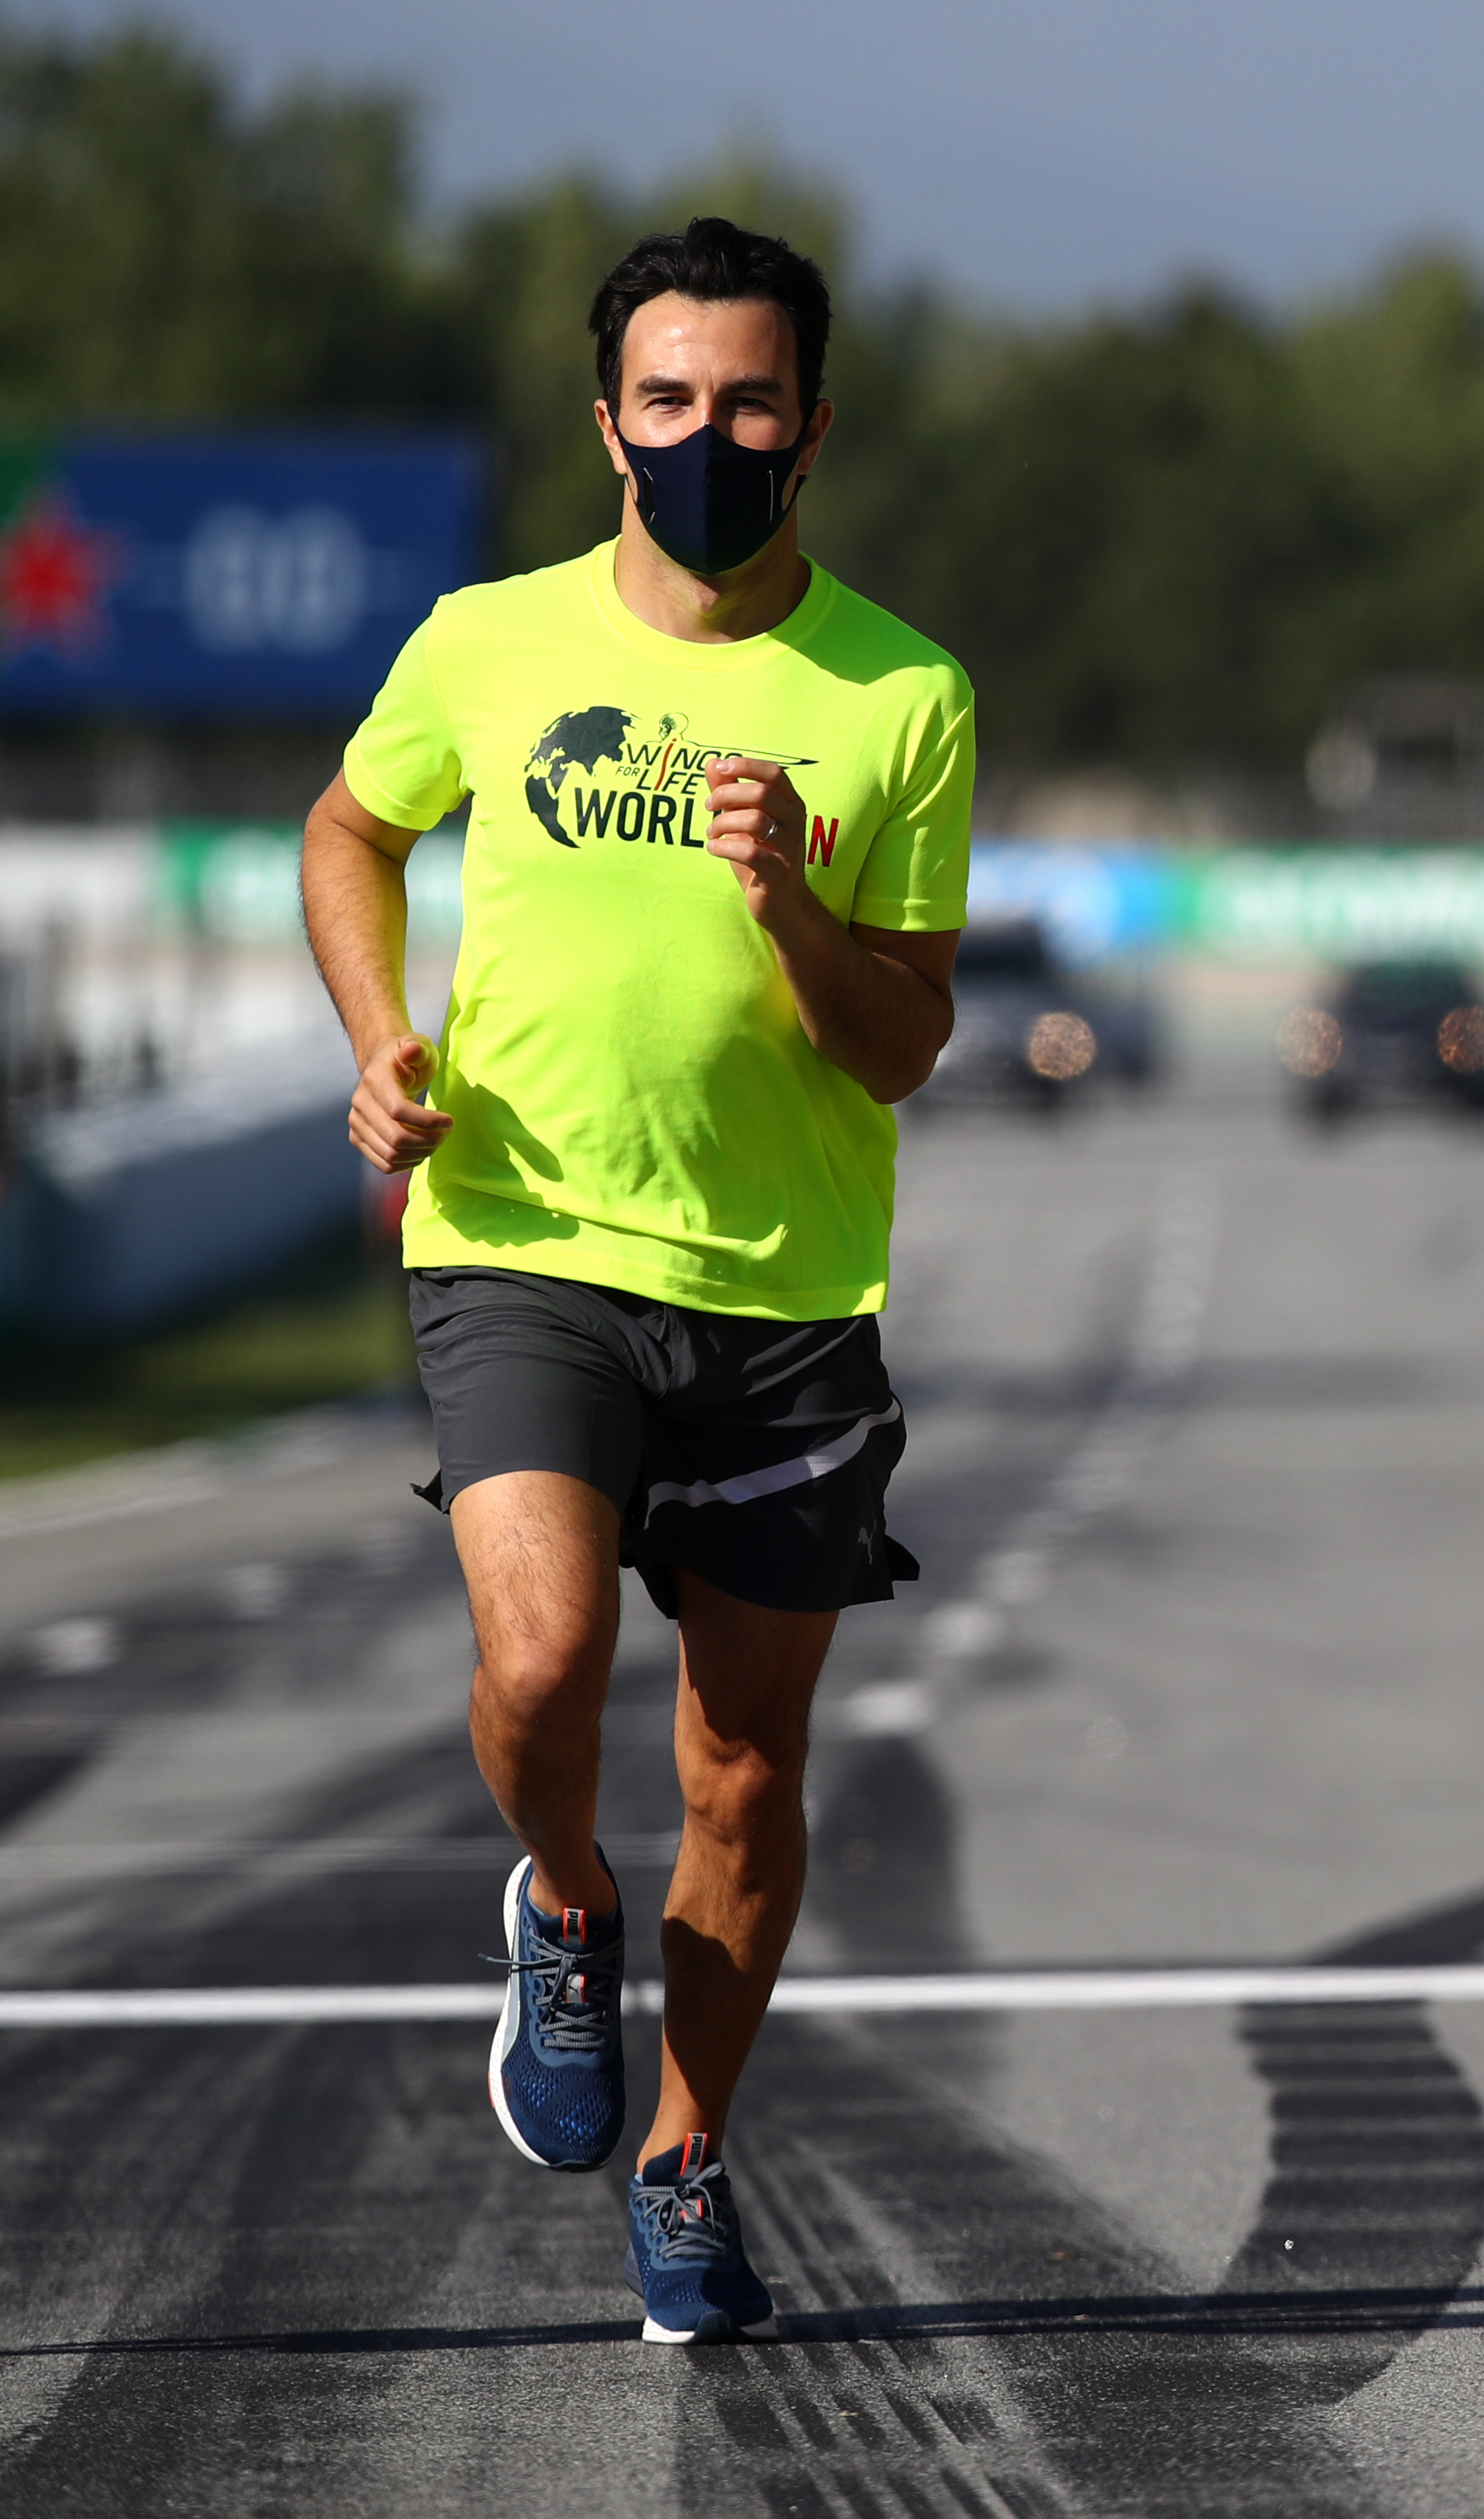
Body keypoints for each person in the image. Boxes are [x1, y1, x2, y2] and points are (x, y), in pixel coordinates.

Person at [299, 216, 973, 2343]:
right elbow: (349, 829)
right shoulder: (488, 641)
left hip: (787, 1293)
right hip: (522, 1239)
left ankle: (686, 2159)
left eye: (748, 403)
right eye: (667, 400)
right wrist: (378, 1037)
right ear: (608, 423)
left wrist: (795, 914)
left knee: (744, 1772)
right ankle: (567, 1900)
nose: (706, 437)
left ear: (813, 428)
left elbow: (908, 1040)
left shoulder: (902, 694)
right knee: (541, 1657)